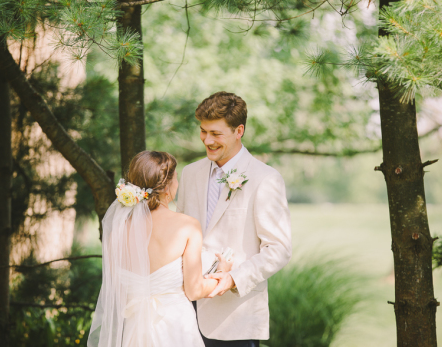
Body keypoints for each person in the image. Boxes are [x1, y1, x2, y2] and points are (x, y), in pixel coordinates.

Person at [176, 91, 292, 347]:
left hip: (235, 318)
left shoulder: (266, 178)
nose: (207, 140)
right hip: (183, 314)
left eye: (216, 134)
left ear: (239, 131)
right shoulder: (190, 173)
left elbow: (279, 249)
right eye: (203, 131)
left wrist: (232, 279)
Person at [88, 150, 232, 347]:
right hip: (176, 329)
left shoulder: (117, 233)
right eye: (176, 178)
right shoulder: (187, 226)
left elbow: (118, 294)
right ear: (166, 187)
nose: (178, 184)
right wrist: (222, 273)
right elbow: (195, 290)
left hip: (134, 330)